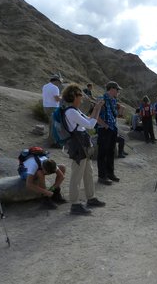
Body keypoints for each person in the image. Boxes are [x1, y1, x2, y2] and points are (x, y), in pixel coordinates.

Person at [62, 84, 106, 215]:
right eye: (80, 95)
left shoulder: (74, 110)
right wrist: (97, 109)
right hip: (78, 147)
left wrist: (95, 109)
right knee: (77, 176)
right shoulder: (71, 112)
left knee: (88, 172)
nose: (82, 99)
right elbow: (90, 125)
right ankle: (74, 204)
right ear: (74, 96)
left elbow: (88, 119)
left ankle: (90, 198)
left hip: (83, 146)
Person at [97, 81, 122, 184]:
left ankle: (110, 173)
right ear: (111, 89)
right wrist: (104, 125)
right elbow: (95, 115)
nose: (118, 92)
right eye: (117, 90)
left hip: (112, 129)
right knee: (102, 153)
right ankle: (102, 176)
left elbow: (115, 115)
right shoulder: (101, 99)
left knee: (111, 152)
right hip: (104, 130)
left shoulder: (113, 100)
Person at [42, 74, 62, 148]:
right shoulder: (55, 88)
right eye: (59, 82)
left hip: (46, 107)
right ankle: (53, 142)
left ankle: (50, 139)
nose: (59, 84)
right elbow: (57, 99)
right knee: (55, 125)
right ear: (56, 81)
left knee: (51, 123)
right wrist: (62, 97)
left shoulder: (45, 86)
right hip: (53, 107)